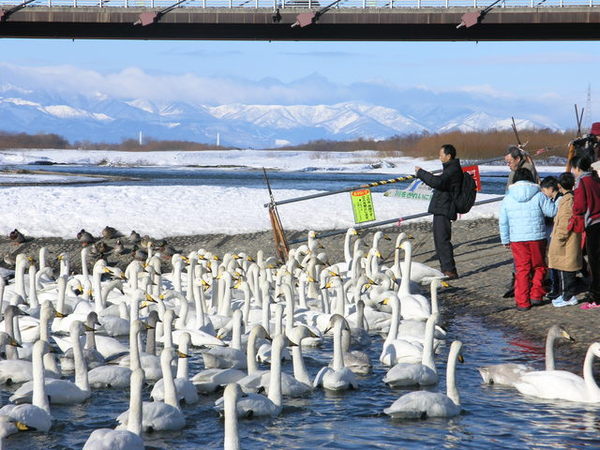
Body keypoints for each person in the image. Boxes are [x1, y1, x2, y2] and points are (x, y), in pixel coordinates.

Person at [499, 168, 557, 311]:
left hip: (517, 238)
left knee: (522, 270)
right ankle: (536, 295)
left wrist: (505, 239)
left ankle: (522, 302)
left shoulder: (508, 197)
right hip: (537, 237)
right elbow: (552, 211)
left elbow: (503, 221)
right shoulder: (538, 195)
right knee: (539, 266)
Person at [414, 144, 463, 279]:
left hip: (445, 207)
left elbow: (438, 183)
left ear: (449, 156)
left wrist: (421, 173)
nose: (439, 156)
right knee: (439, 239)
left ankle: (449, 270)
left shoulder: (452, 169)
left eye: (441, 154)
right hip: (442, 207)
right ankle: (446, 269)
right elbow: (440, 181)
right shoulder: (450, 168)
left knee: (442, 240)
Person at [570, 156, 600, 309]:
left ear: (577, 168)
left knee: (595, 262)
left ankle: (596, 297)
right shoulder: (596, 178)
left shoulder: (582, 182)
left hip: (593, 224)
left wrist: (573, 210)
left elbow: (580, 206)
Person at [547, 172, 582, 307]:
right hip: (569, 240)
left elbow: (564, 222)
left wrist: (559, 237)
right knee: (567, 268)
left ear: (559, 185)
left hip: (565, 241)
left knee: (565, 269)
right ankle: (567, 295)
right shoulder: (571, 198)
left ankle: (568, 296)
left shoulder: (567, 201)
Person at [540, 176, 563, 301]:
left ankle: (556, 286)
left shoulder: (559, 200)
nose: (543, 193)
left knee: (553, 260)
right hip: (552, 233)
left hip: (555, 234)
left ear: (550, 188)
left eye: (544, 190)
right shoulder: (556, 199)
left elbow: (554, 215)